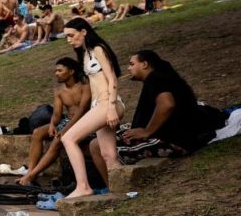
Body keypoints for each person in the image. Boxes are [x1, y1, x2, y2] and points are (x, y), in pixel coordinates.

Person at [91, 50, 221, 167]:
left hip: (174, 140)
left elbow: (167, 104)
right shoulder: (158, 77)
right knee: (98, 143)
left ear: (144, 64)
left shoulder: (155, 78)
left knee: (106, 151)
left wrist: (147, 131)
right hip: (168, 134)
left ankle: (113, 188)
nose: (129, 69)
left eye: (132, 64)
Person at [59, 18, 124, 198]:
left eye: (71, 35)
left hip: (108, 103)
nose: (69, 40)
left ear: (84, 31)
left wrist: (111, 107)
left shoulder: (98, 49)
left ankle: (83, 186)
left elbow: (112, 79)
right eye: (67, 37)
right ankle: (122, 191)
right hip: (99, 105)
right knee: (108, 154)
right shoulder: (85, 53)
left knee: (68, 138)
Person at [17, 58, 91, 185]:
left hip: (85, 120)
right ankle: (31, 170)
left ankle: (32, 176)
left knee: (57, 140)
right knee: (37, 133)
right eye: (55, 71)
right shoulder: (59, 91)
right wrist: (52, 124)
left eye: (60, 70)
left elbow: (82, 110)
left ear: (71, 71)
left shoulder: (85, 86)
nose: (56, 73)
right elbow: (57, 113)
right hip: (68, 120)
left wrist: (65, 129)